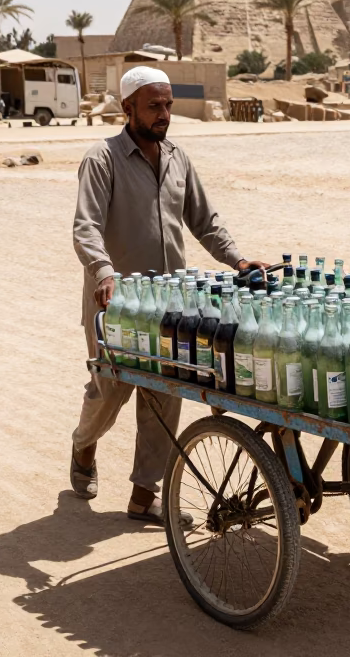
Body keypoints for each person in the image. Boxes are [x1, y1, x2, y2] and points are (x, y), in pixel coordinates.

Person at [70, 66, 269, 524]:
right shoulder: (102, 159)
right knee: (111, 390)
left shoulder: (178, 157)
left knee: (166, 394)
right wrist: (103, 271)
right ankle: (83, 446)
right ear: (128, 109)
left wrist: (237, 260)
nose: (164, 114)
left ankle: (144, 495)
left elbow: (204, 219)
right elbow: (86, 227)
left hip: (170, 304)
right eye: (154, 105)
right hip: (116, 304)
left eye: (168, 105)